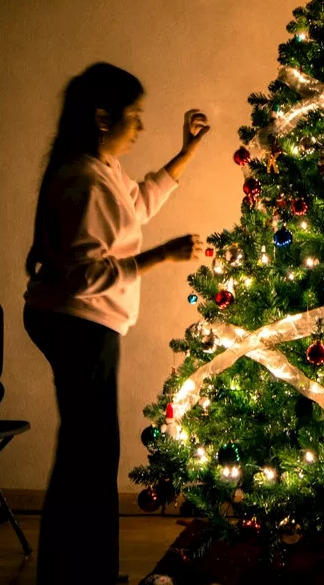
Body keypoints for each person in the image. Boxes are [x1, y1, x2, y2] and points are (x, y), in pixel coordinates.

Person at [23, 62, 209, 584]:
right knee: (90, 458)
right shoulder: (82, 179)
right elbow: (86, 276)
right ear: (104, 118)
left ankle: (80, 573)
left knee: (89, 452)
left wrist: (187, 152)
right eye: (136, 116)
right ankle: (80, 575)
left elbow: (137, 203)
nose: (141, 128)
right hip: (78, 323)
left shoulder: (100, 168)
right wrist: (160, 257)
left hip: (80, 321)